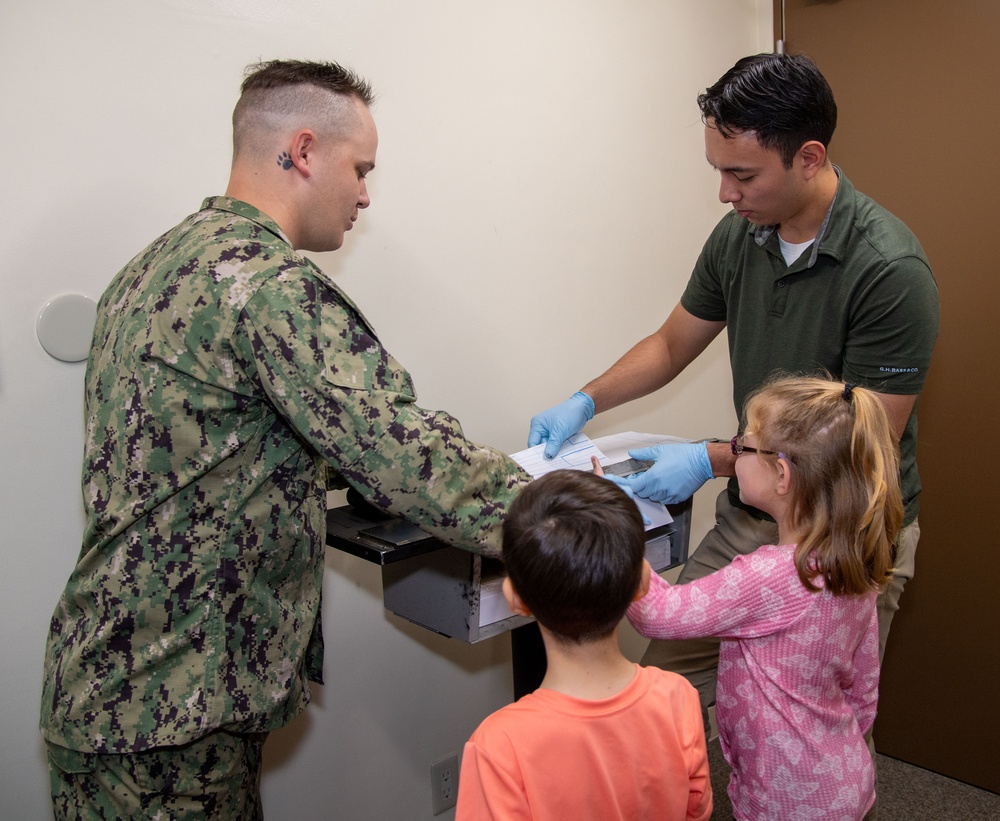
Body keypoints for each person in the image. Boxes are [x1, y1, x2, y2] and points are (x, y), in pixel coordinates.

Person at [40, 59, 531, 819]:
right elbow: (406, 458)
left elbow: (218, 447)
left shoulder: (152, 269)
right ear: (303, 151)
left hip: (122, 682)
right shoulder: (268, 286)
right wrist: (563, 512)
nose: (366, 193)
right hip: (172, 710)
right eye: (360, 168)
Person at [527, 52, 939, 721]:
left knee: (817, 725)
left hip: (843, 529)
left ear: (808, 158)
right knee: (661, 700)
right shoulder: (740, 237)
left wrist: (709, 458)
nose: (725, 192)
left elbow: (860, 446)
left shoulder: (889, 269)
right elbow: (669, 345)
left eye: (740, 174)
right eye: (720, 170)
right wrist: (586, 399)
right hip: (755, 512)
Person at [628, 376, 902, 819]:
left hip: (784, 799)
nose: (733, 454)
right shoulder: (853, 567)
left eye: (742, 447)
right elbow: (864, 690)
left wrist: (617, 531)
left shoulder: (768, 576)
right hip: (844, 776)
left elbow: (659, 614)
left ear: (782, 475)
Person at [456, 470, 712, 821]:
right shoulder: (678, 697)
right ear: (643, 582)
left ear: (514, 599)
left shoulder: (499, 745)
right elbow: (694, 810)